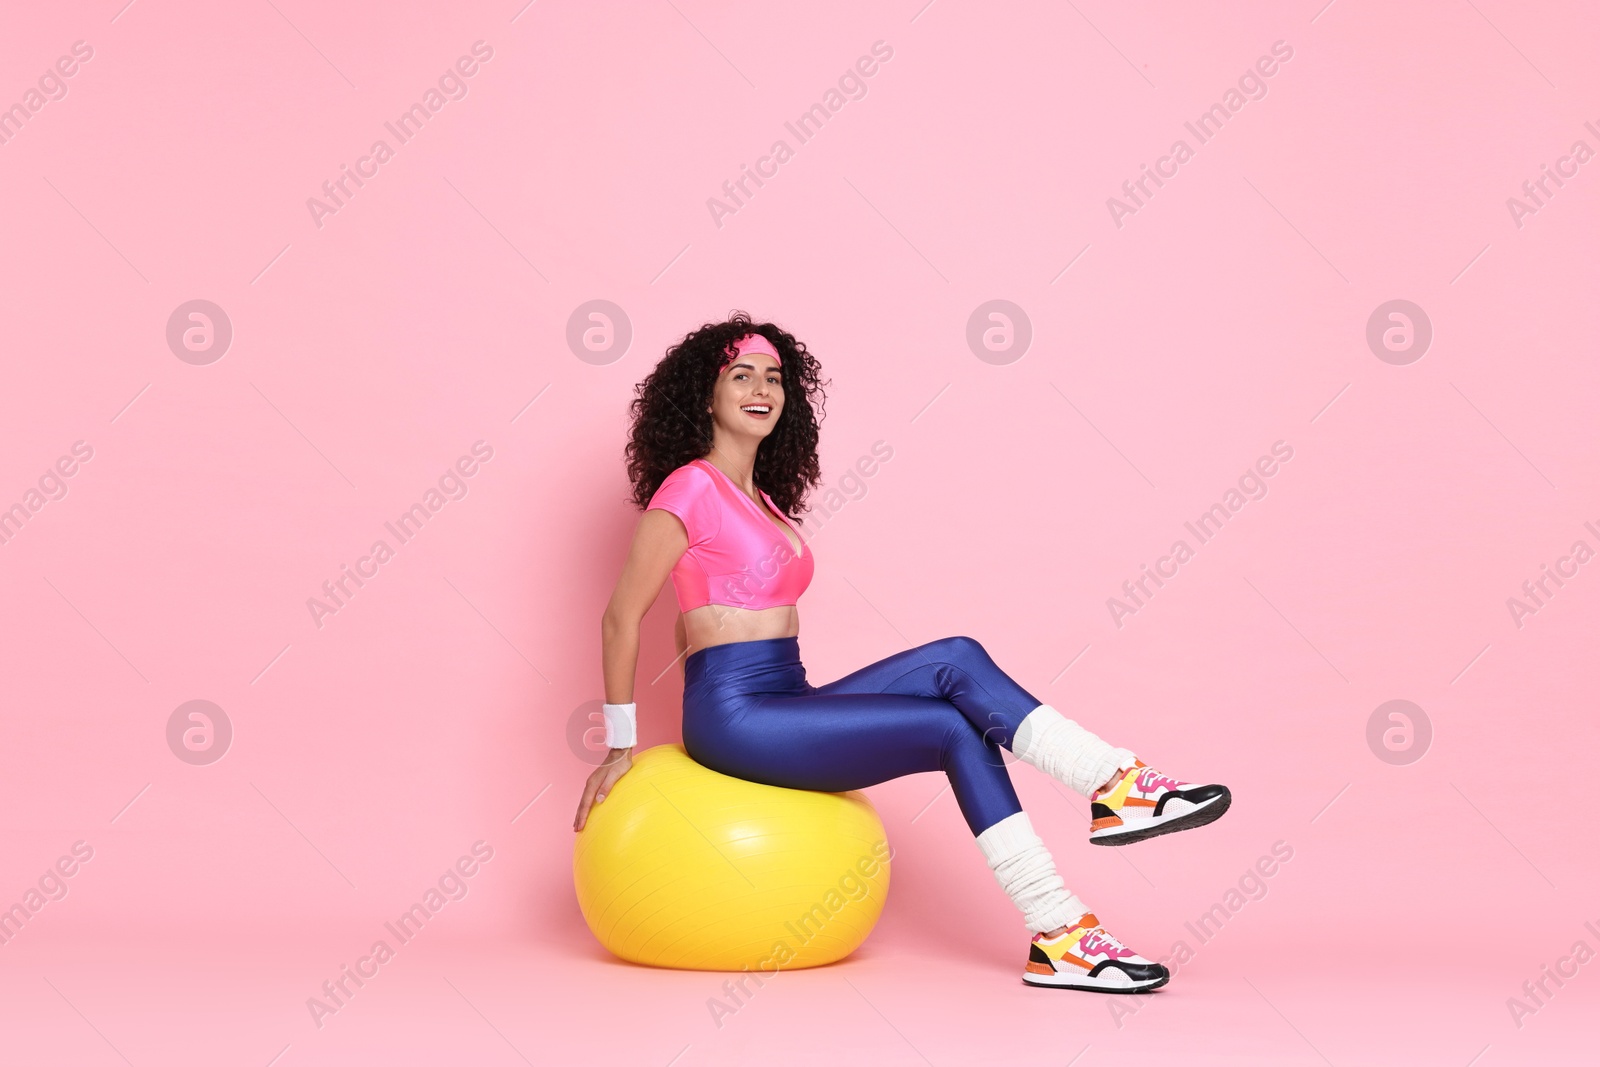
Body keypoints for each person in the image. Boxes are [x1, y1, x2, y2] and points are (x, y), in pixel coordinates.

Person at [573, 314, 1231, 992]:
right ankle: (1060, 928)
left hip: (785, 696)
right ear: (705, 396)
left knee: (957, 655)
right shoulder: (689, 487)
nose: (761, 388)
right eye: (740, 376)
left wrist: (704, 655)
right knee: (952, 726)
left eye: (773, 377)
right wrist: (622, 745)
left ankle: (1114, 785)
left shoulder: (764, 500)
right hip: (735, 715)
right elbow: (622, 616)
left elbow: (697, 619)